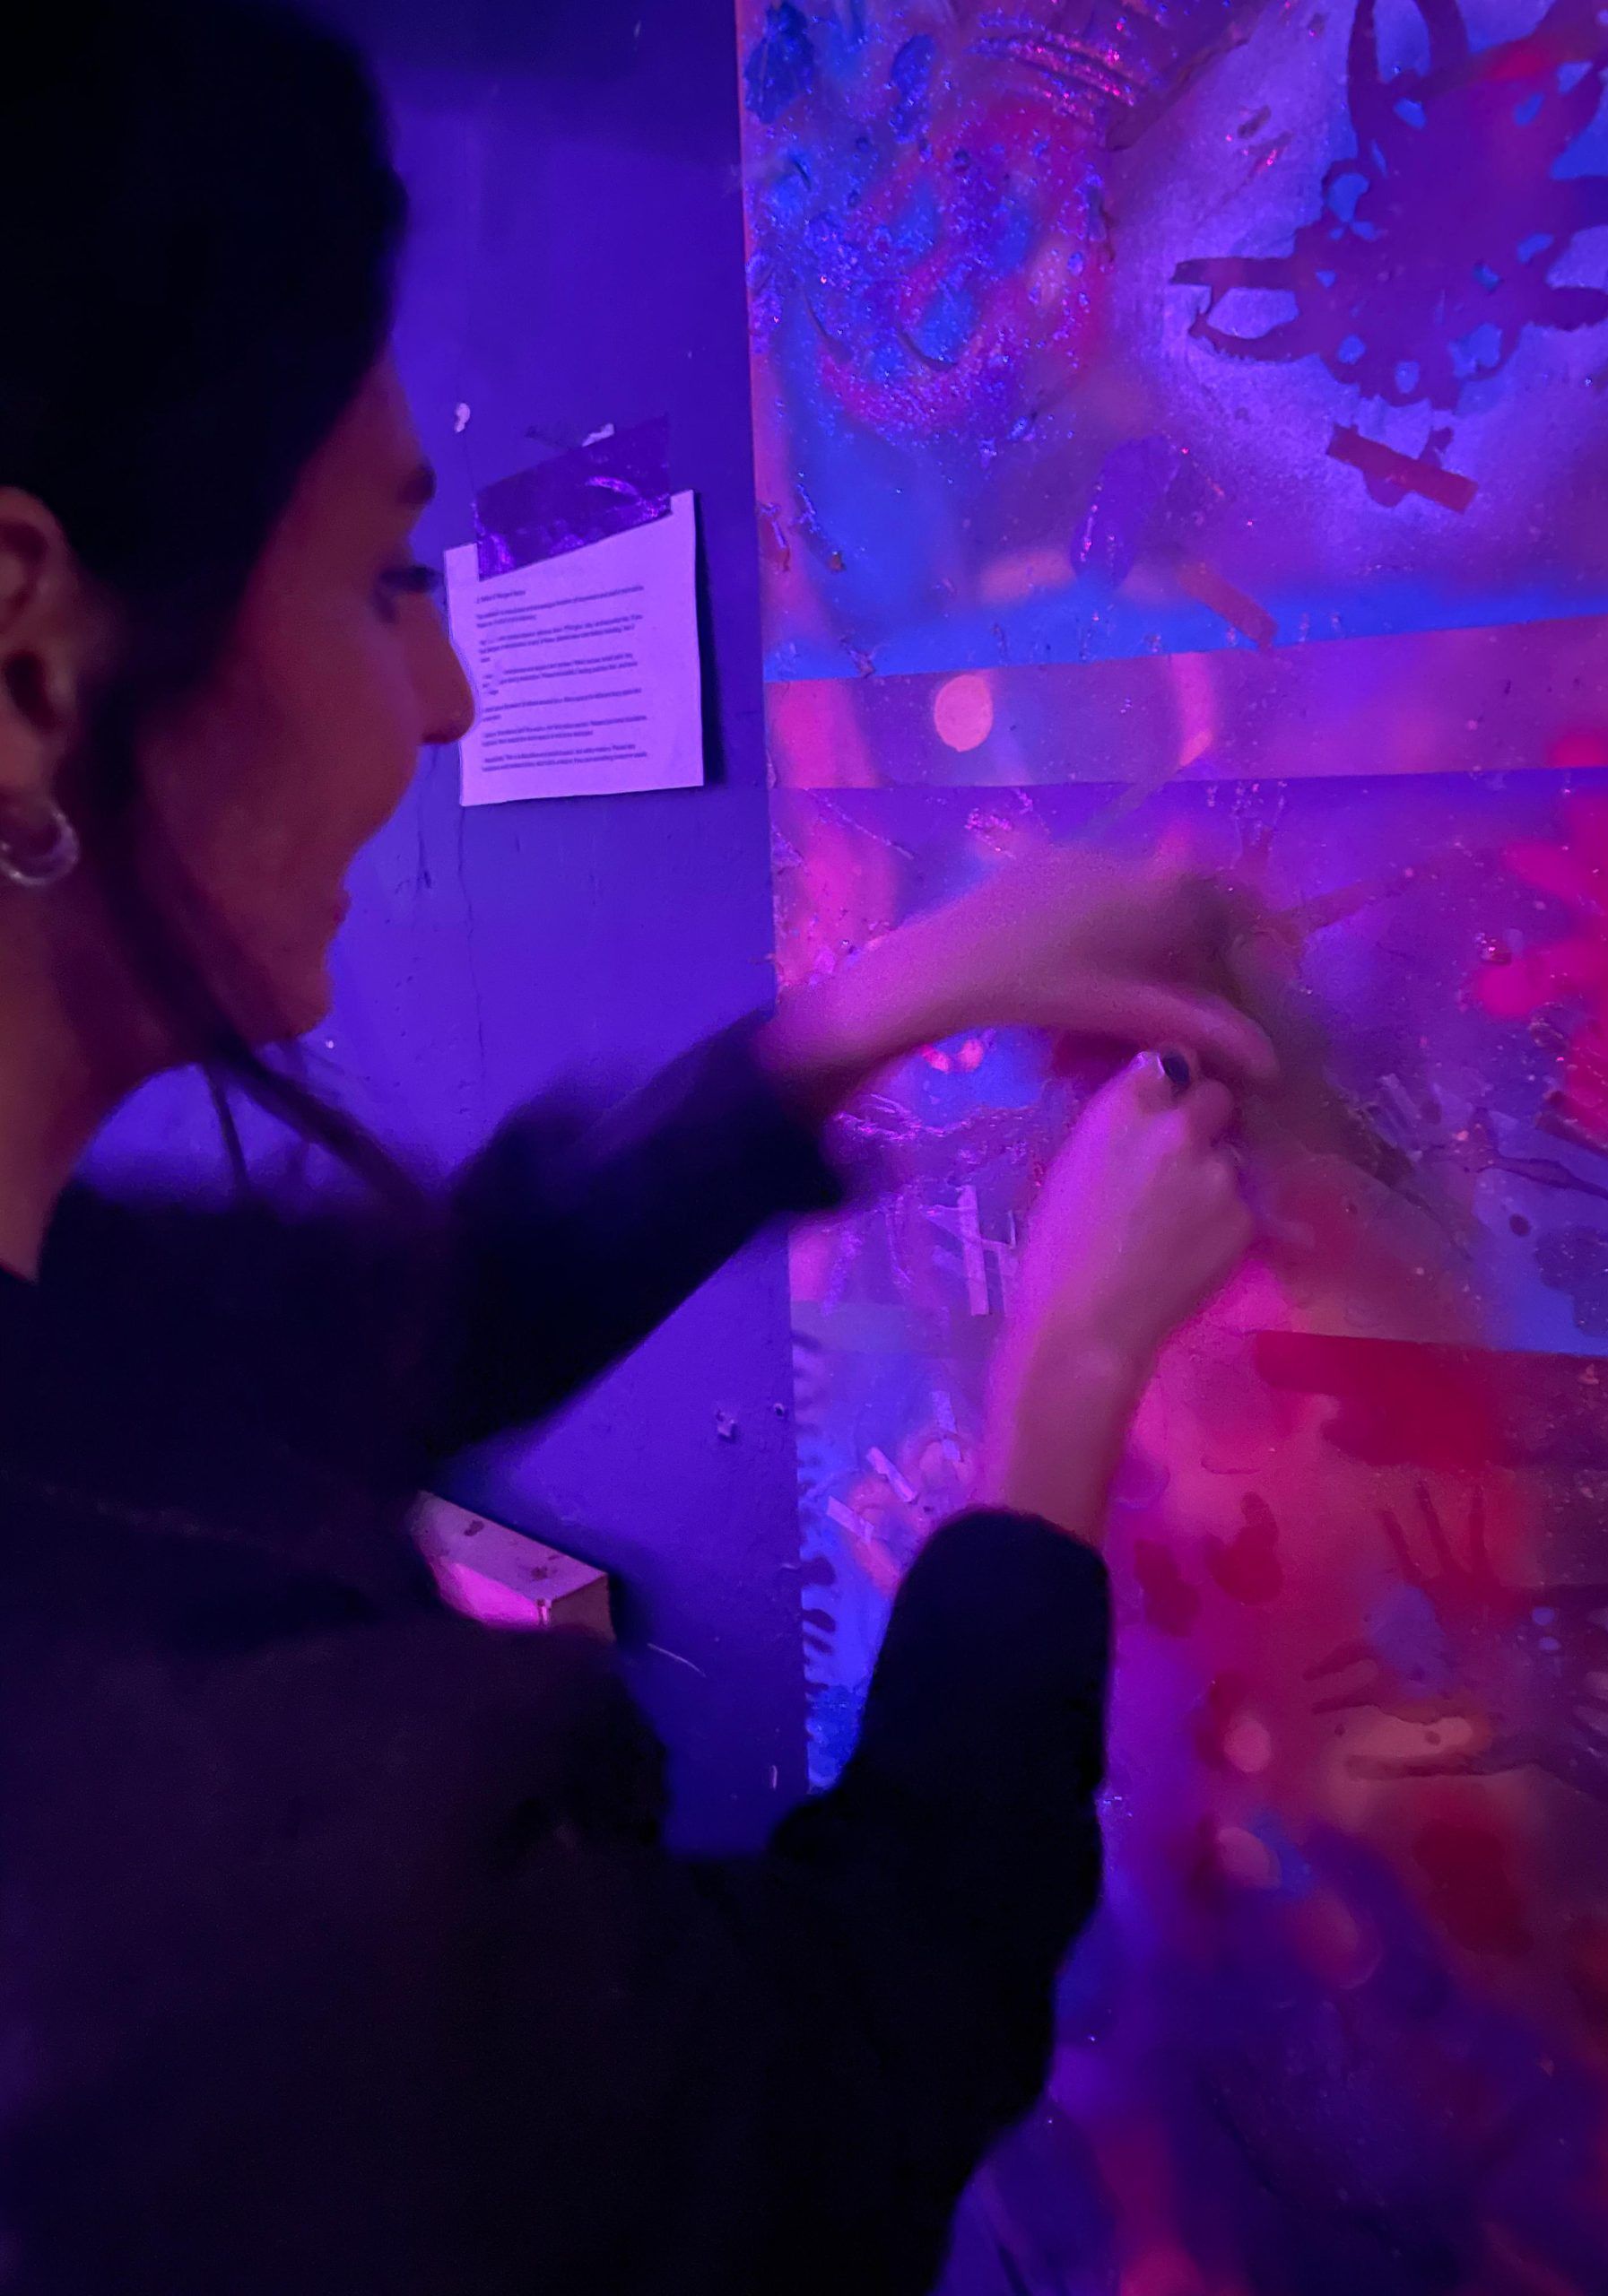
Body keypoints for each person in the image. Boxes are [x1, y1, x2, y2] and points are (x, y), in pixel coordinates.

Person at [0, 5, 1275, 2291]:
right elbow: (842, 2071)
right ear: (24, 663)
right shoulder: (200, 1882)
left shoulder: (62, 1318)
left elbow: (392, 1321)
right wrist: (1067, 1386)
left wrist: (876, 999)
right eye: (387, 578)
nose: (450, 695)